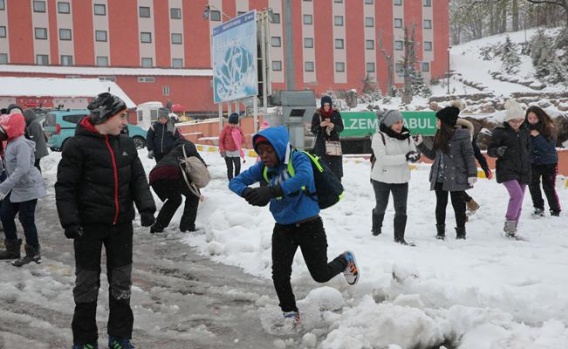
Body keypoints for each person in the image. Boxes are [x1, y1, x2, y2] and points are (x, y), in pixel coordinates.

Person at [228, 126, 359, 327]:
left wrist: (272, 191)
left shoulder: (298, 159)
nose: (264, 156)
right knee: (279, 274)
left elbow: (304, 177)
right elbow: (235, 181)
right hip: (283, 229)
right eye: (261, 152)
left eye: (269, 151)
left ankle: (345, 260)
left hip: (310, 226)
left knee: (321, 274)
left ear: (279, 148)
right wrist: (249, 193)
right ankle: (290, 313)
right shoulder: (262, 168)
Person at [55, 92, 156, 349]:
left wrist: (146, 207)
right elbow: (65, 187)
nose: (125, 122)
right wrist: (70, 221)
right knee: (87, 284)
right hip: (87, 228)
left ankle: (120, 337)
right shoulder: (76, 146)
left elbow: (138, 179)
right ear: (106, 116)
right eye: (122, 116)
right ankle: (85, 340)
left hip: (120, 225)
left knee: (121, 283)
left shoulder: (126, 145)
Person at [415, 105, 477, 240]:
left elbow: (469, 155)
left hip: (456, 176)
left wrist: (472, 174)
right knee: (441, 204)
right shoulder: (438, 135)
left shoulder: (462, 136)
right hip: (439, 176)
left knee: (458, 205)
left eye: (438, 121)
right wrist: (420, 144)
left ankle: (461, 232)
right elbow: (433, 156)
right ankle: (440, 231)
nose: (436, 123)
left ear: (445, 122)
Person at [0, 113, 46, 266]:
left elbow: (23, 168)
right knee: (5, 215)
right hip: (16, 187)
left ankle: (33, 252)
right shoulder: (11, 143)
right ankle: (12, 249)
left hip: (28, 187)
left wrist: (4, 186)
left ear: (12, 128)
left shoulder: (21, 144)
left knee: (26, 219)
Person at [370, 110, 420, 245]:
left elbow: (412, 152)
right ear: (388, 124)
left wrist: (415, 156)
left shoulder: (407, 136)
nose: (399, 125)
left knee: (401, 209)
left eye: (401, 122)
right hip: (381, 178)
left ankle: (399, 238)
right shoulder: (378, 137)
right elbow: (383, 159)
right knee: (381, 206)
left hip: (401, 178)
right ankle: (376, 230)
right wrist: (405, 157)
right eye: (396, 123)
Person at [487, 99, 531, 237]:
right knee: (516, 195)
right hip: (506, 169)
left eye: (519, 120)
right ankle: (510, 225)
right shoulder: (500, 131)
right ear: (508, 120)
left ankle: (513, 229)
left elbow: (527, 148)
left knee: (520, 199)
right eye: (513, 121)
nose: (517, 123)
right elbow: (490, 150)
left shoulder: (525, 131)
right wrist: (498, 151)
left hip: (523, 169)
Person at [148, 138, 206, 233]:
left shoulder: (171, 150)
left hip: (155, 176)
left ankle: (158, 226)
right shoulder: (187, 145)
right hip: (172, 172)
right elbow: (198, 163)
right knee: (193, 196)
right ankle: (187, 226)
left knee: (174, 200)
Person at [524, 105, 561, 217]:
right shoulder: (525, 128)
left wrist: (538, 136)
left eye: (535, 118)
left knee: (548, 186)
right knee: (533, 185)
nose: (532, 120)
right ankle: (538, 208)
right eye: (530, 118)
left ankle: (555, 209)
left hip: (548, 162)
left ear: (540, 117)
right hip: (532, 162)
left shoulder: (549, 127)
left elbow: (548, 147)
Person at [455, 116, 492, 217]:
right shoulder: (450, 138)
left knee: (457, 191)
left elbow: (478, 155)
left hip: (464, 169)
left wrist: (485, 168)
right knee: (456, 191)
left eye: (459, 127)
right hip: (453, 168)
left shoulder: (469, 140)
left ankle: (466, 209)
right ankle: (470, 204)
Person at [311, 95, 344, 180]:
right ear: (322, 105)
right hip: (321, 144)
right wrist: (320, 125)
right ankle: (323, 183)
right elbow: (313, 130)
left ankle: (337, 182)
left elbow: (341, 128)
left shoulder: (335, 114)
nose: (326, 107)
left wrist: (333, 126)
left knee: (335, 166)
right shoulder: (317, 115)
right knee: (322, 165)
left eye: (328, 105)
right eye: (325, 105)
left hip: (334, 143)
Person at [219, 113, 245, 180]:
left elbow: (243, 140)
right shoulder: (225, 129)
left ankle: (237, 179)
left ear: (237, 123)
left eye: (234, 124)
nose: (232, 125)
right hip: (227, 152)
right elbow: (220, 140)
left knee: (238, 166)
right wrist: (222, 150)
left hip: (236, 150)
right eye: (231, 123)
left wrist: (238, 136)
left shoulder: (239, 129)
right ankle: (231, 180)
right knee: (230, 168)